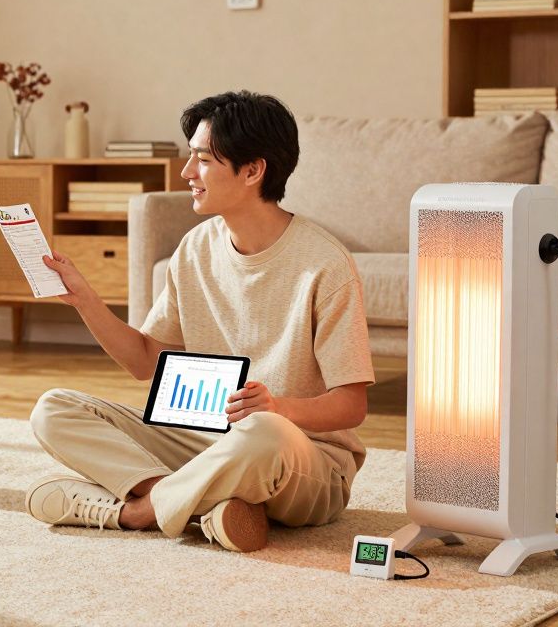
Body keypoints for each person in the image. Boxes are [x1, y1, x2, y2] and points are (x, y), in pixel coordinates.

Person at [25, 90, 374, 552]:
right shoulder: (194, 248)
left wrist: (278, 409)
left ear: (253, 170)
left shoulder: (324, 265)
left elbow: (351, 406)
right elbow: (145, 360)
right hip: (206, 442)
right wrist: (85, 300)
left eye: (203, 159)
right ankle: (206, 507)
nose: (187, 173)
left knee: (263, 432)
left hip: (302, 461)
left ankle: (139, 512)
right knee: (54, 408)